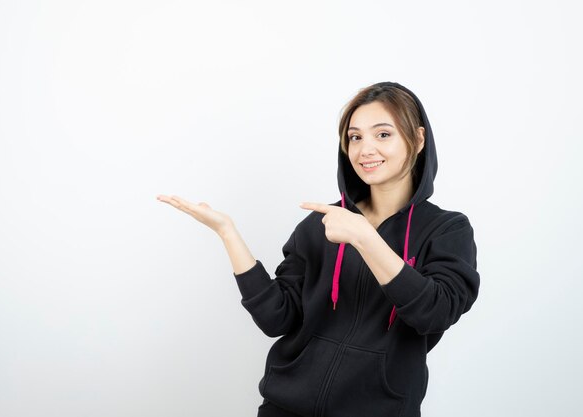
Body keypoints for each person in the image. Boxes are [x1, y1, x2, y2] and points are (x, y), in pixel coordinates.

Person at [157, 81, 480, 417]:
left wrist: (365, 238)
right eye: (355, 137)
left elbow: (436, 312)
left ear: (417, 139)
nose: (365, 149)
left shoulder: (447, 230)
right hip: (284, 408)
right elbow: (276, 318)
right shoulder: (322, 224)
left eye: (382, 134)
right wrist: (227, 233)